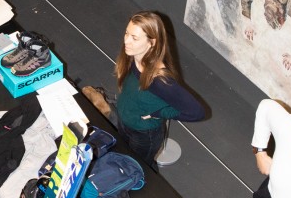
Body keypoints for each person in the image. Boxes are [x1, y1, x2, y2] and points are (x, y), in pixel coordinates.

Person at [83, 11, 205, 168]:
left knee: (138, 166)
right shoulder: (133, 55)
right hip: (124, 120)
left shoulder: (160, 81)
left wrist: (159, 113)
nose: (126, 40)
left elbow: (196, 112)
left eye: (134, 38)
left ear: (152, 42)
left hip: (143, 134)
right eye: (127, 33)